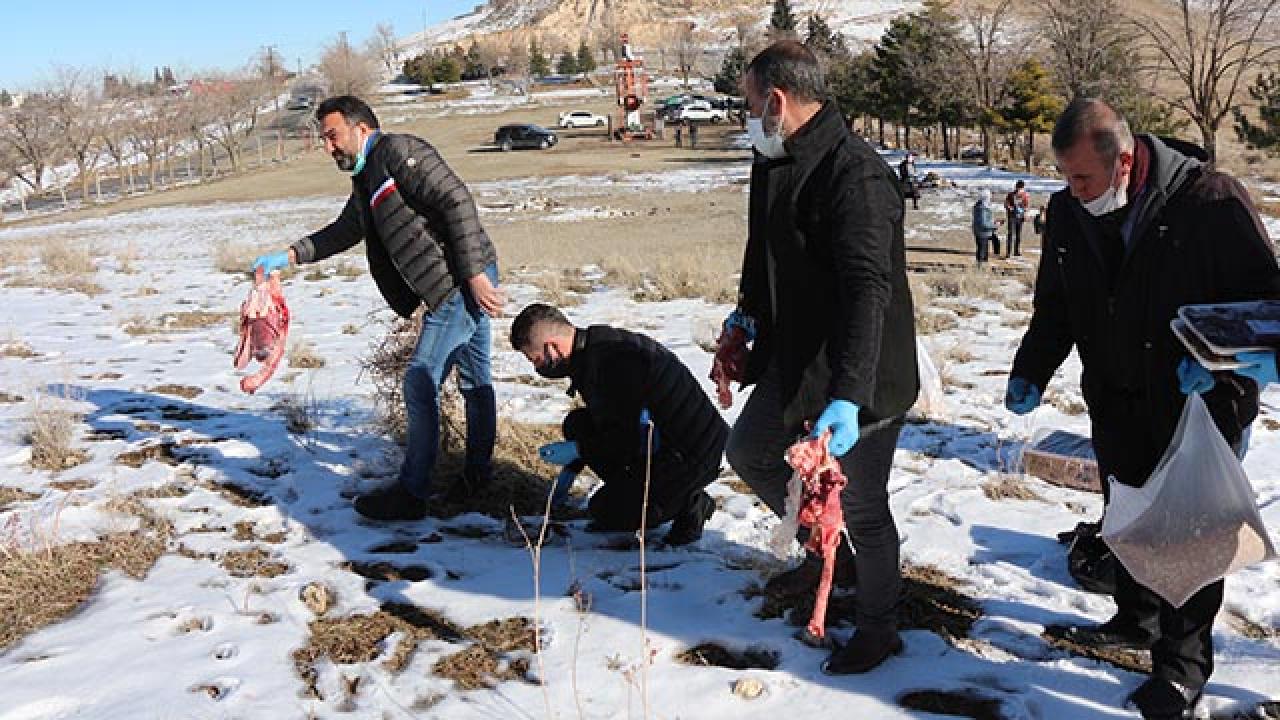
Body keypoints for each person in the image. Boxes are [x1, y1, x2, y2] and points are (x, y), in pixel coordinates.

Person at [1005, 97, 1280, 720]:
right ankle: (1136, 619)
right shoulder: (1071, 214)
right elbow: (1058, 305)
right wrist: (1030, 369)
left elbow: (1267, 308)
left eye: (1083, 178)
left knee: (1191, 534)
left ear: (1124, 160)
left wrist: (1220, 363)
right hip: (1117, 396)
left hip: (1199, 405)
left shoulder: (1212, 204)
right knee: (1126, 514)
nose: (1072, 192)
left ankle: (1182, 669)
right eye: (1066, 178)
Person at [716, 40, 919, 675]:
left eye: (750, 104)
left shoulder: (855, 175)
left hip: (864, 372)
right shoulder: (772, 158)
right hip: (798, 357)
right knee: (749, 450)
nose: (748, 117)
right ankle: (826, 556)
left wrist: (850, 396)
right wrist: (743, 321)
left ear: (776, 101)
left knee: (861, 503)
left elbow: (868, 293)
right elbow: (763, 251)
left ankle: (880, 625)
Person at [251, 95, 504, 522]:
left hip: (456, 286)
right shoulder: (367, 177)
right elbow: (344, 231)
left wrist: (475, 274)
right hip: (457, 283)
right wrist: (290, 255)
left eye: (332, 136)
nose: (328, 147)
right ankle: (477, 478)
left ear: (361, 128)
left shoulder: (400, 152)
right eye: (324, 139)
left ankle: (412, 493)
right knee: (476, 380)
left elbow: (456, 200)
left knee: (419, 381)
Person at [509, 304, 726, 546]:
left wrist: (580, 451)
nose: (537, 368)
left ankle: (690, 503)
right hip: (662, 441)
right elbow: (613, 424)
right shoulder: (592, 350)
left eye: (536, 360)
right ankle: (641, 489)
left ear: (552, 347)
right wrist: (573, 466)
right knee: (578, 424)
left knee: (607, 511)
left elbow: (627, 438)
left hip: (692, 453)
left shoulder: (615, 363)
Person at [1003, 179, 1030, 256]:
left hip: (1020, 217)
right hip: (1012, 217)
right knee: (1010, 234)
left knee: (1018, 235)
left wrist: (1025, 213)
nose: (1019, 190)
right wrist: (1009, 207)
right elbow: (1006, 203)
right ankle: (1008, 252)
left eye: (1021, 188)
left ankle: (1016, 251)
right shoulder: (1011, 195)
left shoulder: (1025, 195)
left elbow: (1026, 206)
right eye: (1018, 188)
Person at [971, 189, 999, 263]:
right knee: (982, 252)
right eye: (989, 197)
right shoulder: (982, 208)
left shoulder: (980, 205)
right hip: (982, 232)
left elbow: (984, 220)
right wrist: (995, 225)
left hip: (981, 231)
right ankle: (980, 269)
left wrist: (993, 222)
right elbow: (983, 223)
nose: (991, 198)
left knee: (982, 250)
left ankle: (981, 268)